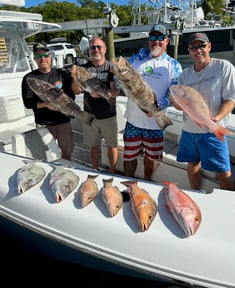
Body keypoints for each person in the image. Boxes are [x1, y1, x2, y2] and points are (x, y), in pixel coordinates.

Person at [174, 32, 235, 191]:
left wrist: (217, 119)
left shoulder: (223, 67)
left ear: (209, 46)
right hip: (189, 130)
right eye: (193, 47)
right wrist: (176, 101)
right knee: (192, 163)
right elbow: (179, 107)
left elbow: (232, 98)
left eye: (201, 46)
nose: (198, 51)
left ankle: (228, 202)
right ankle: (196, 192)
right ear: (189, 51)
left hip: (212, 130)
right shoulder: (184, 75)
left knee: (223, 170)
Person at [123, 24, 182, 180]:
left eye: (160, 38)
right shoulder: (137, 59)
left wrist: (157, 107)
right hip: (133, 121)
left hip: (156, 123)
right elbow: (122, 80)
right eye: (153, 38)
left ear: (167, 40)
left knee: (151, 158)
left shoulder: (174, 65)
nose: (156, 41)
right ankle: (129, 182)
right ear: (148, 40)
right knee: (129, 156)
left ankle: (146, 182)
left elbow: (173, 92)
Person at [21, 42, 80, 161]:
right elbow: (28, 103)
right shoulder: (29, 78)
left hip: (63, 121)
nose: (43, 58)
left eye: (45, 55)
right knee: (45, 156)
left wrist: (65, 95)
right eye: (39, 56)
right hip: (44, 124)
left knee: (67, 153)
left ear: (50, 57)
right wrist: (46, 105)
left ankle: (65, 174)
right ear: (34, 59)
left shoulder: (61, 74)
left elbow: (72, 96)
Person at [77, 37, 119, 173]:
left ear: (105, 49)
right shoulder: (83, 69)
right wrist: (75, 79)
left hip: (109, 114)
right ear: (89, 50)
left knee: (112, 145)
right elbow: (77, 89)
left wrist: (105, 93)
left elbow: (117, 91)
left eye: (98, 47)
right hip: (90, 115)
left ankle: (112, 170)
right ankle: (94, 169)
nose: (95, 50)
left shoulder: (112, 68)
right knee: (93, 145)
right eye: (92, 47)